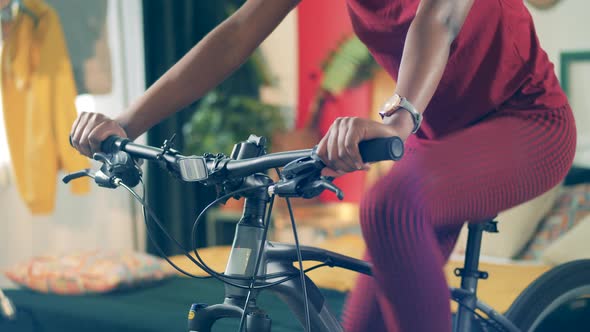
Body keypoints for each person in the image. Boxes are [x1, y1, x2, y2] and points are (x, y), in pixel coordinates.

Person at [70, 0, 577, 331]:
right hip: (433, 138)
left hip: (527, 122)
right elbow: (236, 34)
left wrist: (399, 119)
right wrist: (129, 122)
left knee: (387, 205)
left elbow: (438, 17)